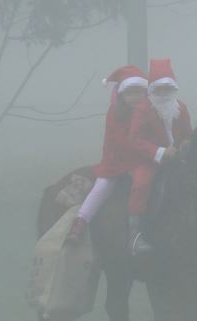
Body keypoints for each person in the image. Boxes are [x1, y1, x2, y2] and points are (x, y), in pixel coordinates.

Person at [66, 65, 149, 253]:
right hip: (118, 160)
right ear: (121, 95)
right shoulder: (115, 113)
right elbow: (122, 140)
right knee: (103, 185)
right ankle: (81, 221)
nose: (135, 97)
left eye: (139, 93)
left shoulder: (149, 111)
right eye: (130, 93)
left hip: (143, 159)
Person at [127, 58, 193, 251]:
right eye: (159, 89)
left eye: (167, 88)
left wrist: (186, 143)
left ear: (173, 89)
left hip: (179, 159)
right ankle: (134, 234)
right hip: (148, 160)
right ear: (152, 90)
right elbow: (134, 139)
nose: (163, 93)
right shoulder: (143, 109)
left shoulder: (181, 108)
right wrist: (161, 152)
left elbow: (188, 134)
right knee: (141, 184)